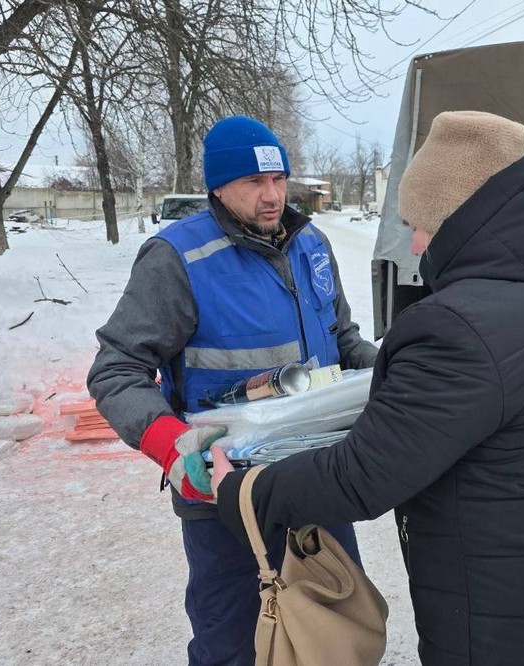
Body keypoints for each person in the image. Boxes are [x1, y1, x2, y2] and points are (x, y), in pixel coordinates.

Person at [212, 110, 524, 665]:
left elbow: (364, 475)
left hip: (507, 622)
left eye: (427, 223)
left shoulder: (458, 328)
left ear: (468, 218)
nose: (415, 243)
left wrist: (244, 490)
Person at [87, 115, 378, 665]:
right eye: (253, 183)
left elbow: (341, 339)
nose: (271, 197)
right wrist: (175, 448)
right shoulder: (178, 258)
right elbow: (116, 368)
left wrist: (392, 372)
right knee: (234, 641)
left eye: (279, 180)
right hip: (226, 489)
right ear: (218, 186)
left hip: (317, 474)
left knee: (333, 626)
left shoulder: (310, 244)